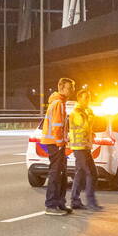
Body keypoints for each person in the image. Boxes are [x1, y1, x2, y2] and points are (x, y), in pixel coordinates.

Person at [41, 77, 75, 216]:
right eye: (69, 87)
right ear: (61, 87)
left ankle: (60, 202)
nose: (72, 90)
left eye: (72, 87)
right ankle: (51, 204)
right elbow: (56, 126)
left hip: (56, 143)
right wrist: (61, 142)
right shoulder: (58, 104)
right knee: (56, 173)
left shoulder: (59, 102)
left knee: (62, 173)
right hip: (55, 144)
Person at [68, 89, 101, 211]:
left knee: (80, 174)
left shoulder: (84, 112)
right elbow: (85, 125)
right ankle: (91, 202)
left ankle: (75, 201)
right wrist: (91, 115)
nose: (88, 100)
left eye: (89, 97)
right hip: (79, 147)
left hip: (84, 146)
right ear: (79, 99)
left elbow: (88, 128)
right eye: (85, 98)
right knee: (91, 173)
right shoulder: (78, 112)